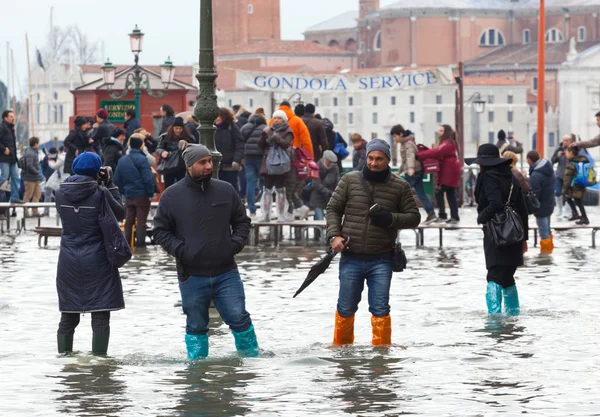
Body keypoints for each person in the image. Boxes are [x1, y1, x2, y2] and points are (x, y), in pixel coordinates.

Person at [153, 144, 258, 359]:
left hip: (226, 271)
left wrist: (233, 245)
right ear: (190, 165)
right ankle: (197, 371)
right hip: (191, 274)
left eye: (210, 161)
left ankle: (252, 363)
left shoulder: (225, 190)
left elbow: (242, 223)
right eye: (203, 162)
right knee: (196, 325)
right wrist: (181, 250)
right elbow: (160, 231)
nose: (209, 166)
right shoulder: (172, 196)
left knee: (239, 317)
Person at [326, 139, 421, 346]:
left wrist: (390, 219)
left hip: (382, 259)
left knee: (380, 309)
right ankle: (342, 356)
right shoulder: (349, 180)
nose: (373, 163)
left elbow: (414, 217)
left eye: (379, 159)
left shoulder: (400, 186)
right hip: (351, 256)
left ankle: (381, 359)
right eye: (370, 158)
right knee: (345, 308)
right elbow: (332, 209)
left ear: (388, 160)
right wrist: (335, 235)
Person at [55, 152, 126, 355]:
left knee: (68, 313)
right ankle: (99, 364)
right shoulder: (101, 193)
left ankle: (65, 362)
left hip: (68, 260)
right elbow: (120, 213)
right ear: (97, 170)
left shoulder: (60, 194)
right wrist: (110, 185)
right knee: (100, 313)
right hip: (98, 259)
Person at [466, 144, 528, 315]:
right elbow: (523, 209)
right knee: (508, 277)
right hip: (515, 233)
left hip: (496, 232)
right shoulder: (512, 177)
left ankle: (494, 321)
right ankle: (513, 317)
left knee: (494, 275)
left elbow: (496, 204)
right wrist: (525, 239)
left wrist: (481, 217)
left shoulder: (488, 177)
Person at [269, 101, 314, 219]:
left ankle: (285, 212)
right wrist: (309, 158)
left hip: (275, 161)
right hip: (293, 159)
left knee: (281, 187)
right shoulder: (297, 121)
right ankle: (291, 211)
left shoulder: (271, 122)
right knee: (290, 187)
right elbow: (306, 141)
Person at [114, 136, 155, 248]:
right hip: (142, 195)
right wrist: (150, 193)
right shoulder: (142, 159)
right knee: (141, 221)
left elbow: (117, 179)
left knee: (129, 220)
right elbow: (147, 178)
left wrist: (124, 191)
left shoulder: (122, 160)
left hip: (128, 195)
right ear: (141, 146)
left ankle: (127, 245)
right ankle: (141, 247)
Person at [392, 125, 437, 224]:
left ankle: (395, 214)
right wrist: (399, 171)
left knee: (401, 191)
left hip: (414, 172)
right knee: (421, 194)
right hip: (416, 170)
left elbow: (410, 156)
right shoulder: (406, 143)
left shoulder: (407, 144)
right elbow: (405, 161)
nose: (394, 139)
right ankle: (431, 214)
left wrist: (410, 168)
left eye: (395, 136)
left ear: (400, 134)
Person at [417, 125, 461, 224]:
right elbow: (438, 152)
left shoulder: (448, 143)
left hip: (448, 171)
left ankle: (443, 215)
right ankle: (454, 216)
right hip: (450, 169)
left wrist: (420, 155)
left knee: (439, 192)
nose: (439, 133)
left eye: (441, 131)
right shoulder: (450, 142)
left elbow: (437, 152)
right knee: (450, 193)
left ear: (446, 132)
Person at [257, 110, 294, 222]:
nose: (276, 120)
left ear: (284, 119)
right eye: (275, 117)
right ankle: (266, 214)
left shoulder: (288, 130)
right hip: (268, 162)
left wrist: (273, 136)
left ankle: (281, 215)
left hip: (281, 162)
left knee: (280, 189)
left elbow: (286, 144)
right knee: (266, 189)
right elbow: (260, 145)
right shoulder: (269, 128)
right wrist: (263, 136)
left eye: (279, 118)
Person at [527, 150, 556, 254]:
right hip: (550, 203)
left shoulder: (536, 175)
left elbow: (535, 194)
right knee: (547, 228)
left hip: (541, 207)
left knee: (543, 231)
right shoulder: (549, 169)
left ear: (529, 160)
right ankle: (550, 250)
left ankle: (545, 255)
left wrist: (531, 206)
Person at [241, 113, 267, 217]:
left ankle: (252, 209)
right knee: (264, 184)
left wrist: (241, 157)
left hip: (248, 158)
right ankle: (265, 208)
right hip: (262, 158)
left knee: (250, 183)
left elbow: (240, 142)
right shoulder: (265, 128)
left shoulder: (244, 128)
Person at [309, 150, 339, 238]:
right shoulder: (315, 167)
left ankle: (326, 239)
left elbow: (337, 181)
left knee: (331, 220)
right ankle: (318, 239)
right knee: (319, 219)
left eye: (332, 162)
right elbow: (316, 184)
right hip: (317, 198)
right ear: (323, 159)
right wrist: (329, 192)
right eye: (329, 162)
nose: (330, 164)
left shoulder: (335, 168)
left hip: (329, 198)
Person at [214, 108, 245, 193]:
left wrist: (236, 160)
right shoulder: (212, 128)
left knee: (231, 188)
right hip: (216, 165)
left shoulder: (232, 127)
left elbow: (240, 144)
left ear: (224, 117)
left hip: (230, 165)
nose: (216, 118)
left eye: (218, 116)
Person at [156, 117, 192, 188]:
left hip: (182, 167)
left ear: (183, 128)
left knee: (182, 187)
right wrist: (162, 152)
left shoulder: (189, 138)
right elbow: (158, 148)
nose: (178, 130)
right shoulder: (165, 137)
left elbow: (194, 149)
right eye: (176, 128)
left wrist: (188, 145)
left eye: (180, 128)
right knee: (168, 187)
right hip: (169, 165)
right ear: (172, 128)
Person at [0, 110, 23, 204]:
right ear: (5, 118)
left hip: (12, 158)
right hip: (4, 157)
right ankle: (14, 197)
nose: (13, 118)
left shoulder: (11, 128)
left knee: (15, 177)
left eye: (13, 116)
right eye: (11, 116)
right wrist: (3, 149)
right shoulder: (2, 127)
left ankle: (14, 198)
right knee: (4, 176)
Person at [563, 146, 590, 225]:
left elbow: (567, 178)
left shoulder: (572, 163)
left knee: (577, 201)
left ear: (571, 153)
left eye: (567, 152)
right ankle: (576, 214)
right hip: (581, 183)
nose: (566, 154)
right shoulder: (581, 161)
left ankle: (584, 218)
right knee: (571, 199)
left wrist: (564, 189)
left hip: (574, 186)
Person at [551, 134, 575, 218]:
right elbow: (552, 161)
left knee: (568, 194)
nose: (565, 142)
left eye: (567, 140)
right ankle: (559, 209)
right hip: (559, 174)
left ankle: (567, 211)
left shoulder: (573, 149)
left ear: (570, 141)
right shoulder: (559, 149)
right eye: (564, 140)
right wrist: (557, 156)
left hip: (569, 176)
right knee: (557, 192)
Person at [22, 137, 42, 217]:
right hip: (29, 178)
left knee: (37, 194)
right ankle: (25, 211)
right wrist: (38, 172)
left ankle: (35, 211)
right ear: (36, 144)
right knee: (28, 195)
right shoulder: (30, 153)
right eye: (38, 143)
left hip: (35, 178)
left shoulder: (33, 152)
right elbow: (29, 166)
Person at [44, 146, 68, 216]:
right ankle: (59, 212)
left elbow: (55, 166)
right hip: (62, 177)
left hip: (59, 177)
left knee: (48, 191)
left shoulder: (62, 157)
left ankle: (47, 210)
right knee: (60, 195)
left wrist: (50, 162)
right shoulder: (70, 156)